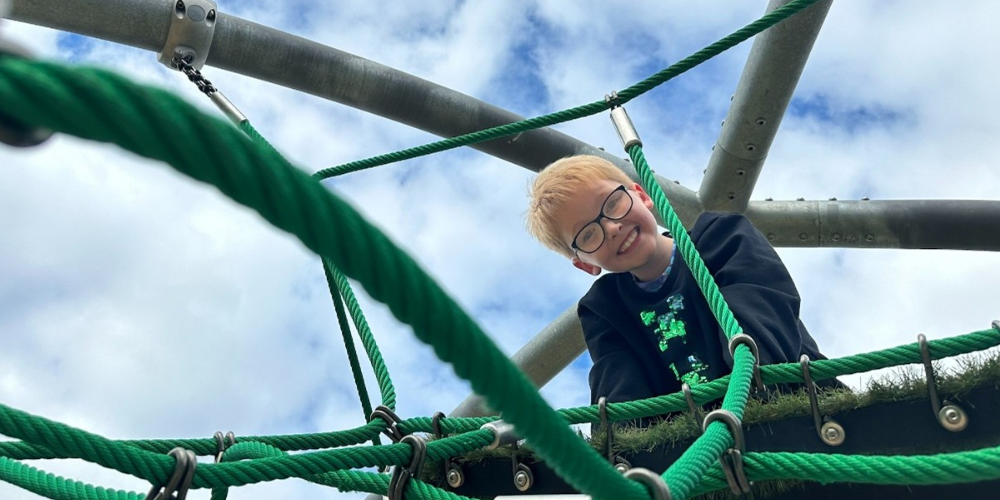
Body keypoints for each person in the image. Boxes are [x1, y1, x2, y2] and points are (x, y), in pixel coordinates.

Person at [525, 155, 830, 407]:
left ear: (642, 195)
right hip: (700, 451)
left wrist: (744, 403)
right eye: (588, 234)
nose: (613, 227)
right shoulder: (604, 309)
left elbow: (761, 329)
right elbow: (619, 391)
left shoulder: (723, 239)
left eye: (613, 203)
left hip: (801, 402)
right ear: (584, 264)